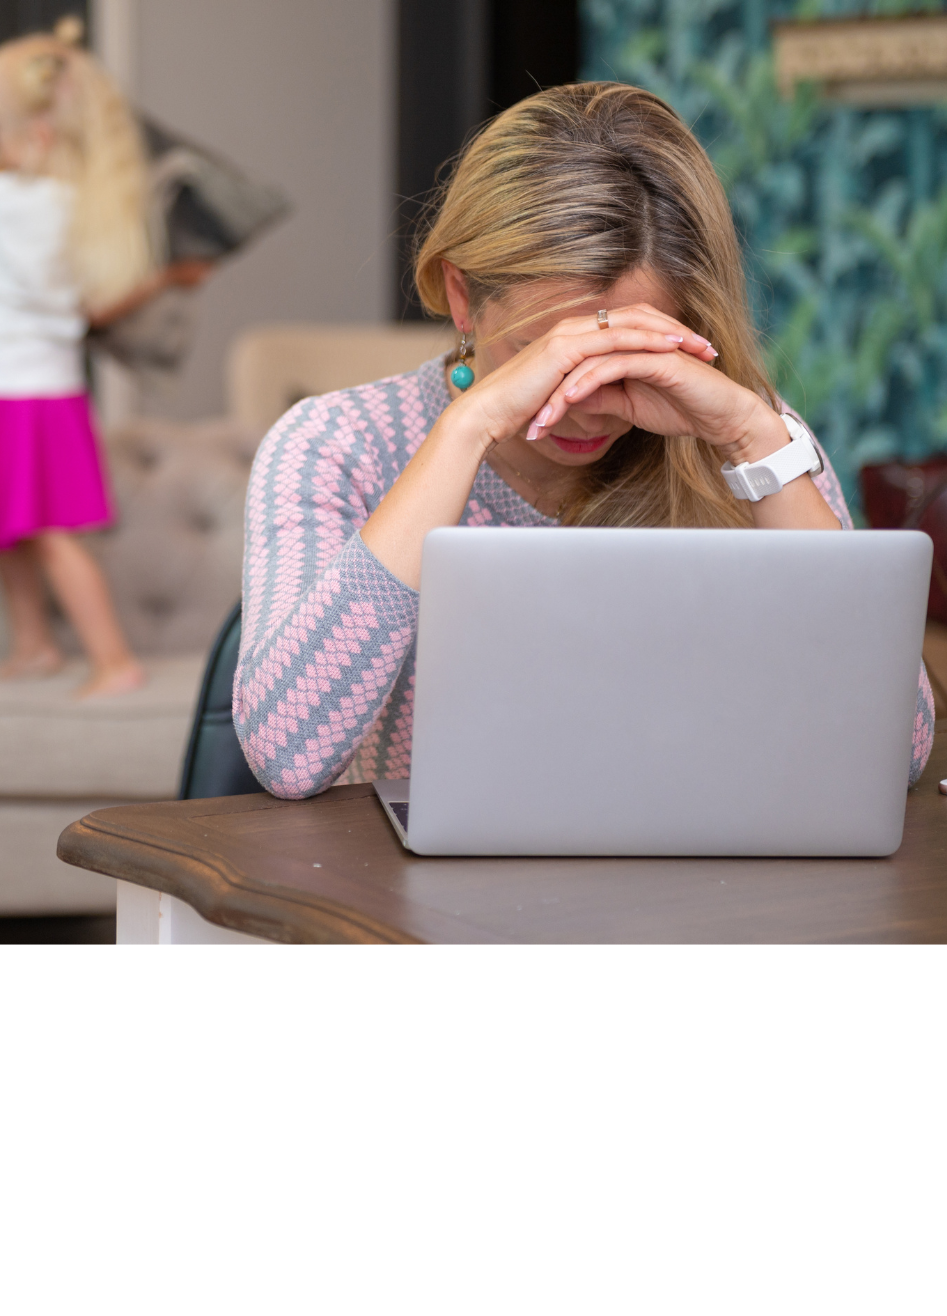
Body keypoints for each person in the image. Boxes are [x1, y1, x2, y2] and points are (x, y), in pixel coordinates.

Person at [234, 81, 936, 796]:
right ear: (460, 297)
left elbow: (896, 748)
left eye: (624, 364)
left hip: (708, 879)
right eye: (542, 359)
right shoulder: (336, 444)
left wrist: (753, 438)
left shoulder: (753, 439)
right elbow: (288, 756)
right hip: (433, 896)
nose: (582, 410)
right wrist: (468, 426)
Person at [0, 19, 207, 698]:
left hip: (15, 394)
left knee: (46, 534)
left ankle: (113, 660)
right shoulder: (78, 209)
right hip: (37, 389)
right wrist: (165, 280)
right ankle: (34, 646)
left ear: (32, 137)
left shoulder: (0, 200)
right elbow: (93, 310)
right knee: (8, 531)